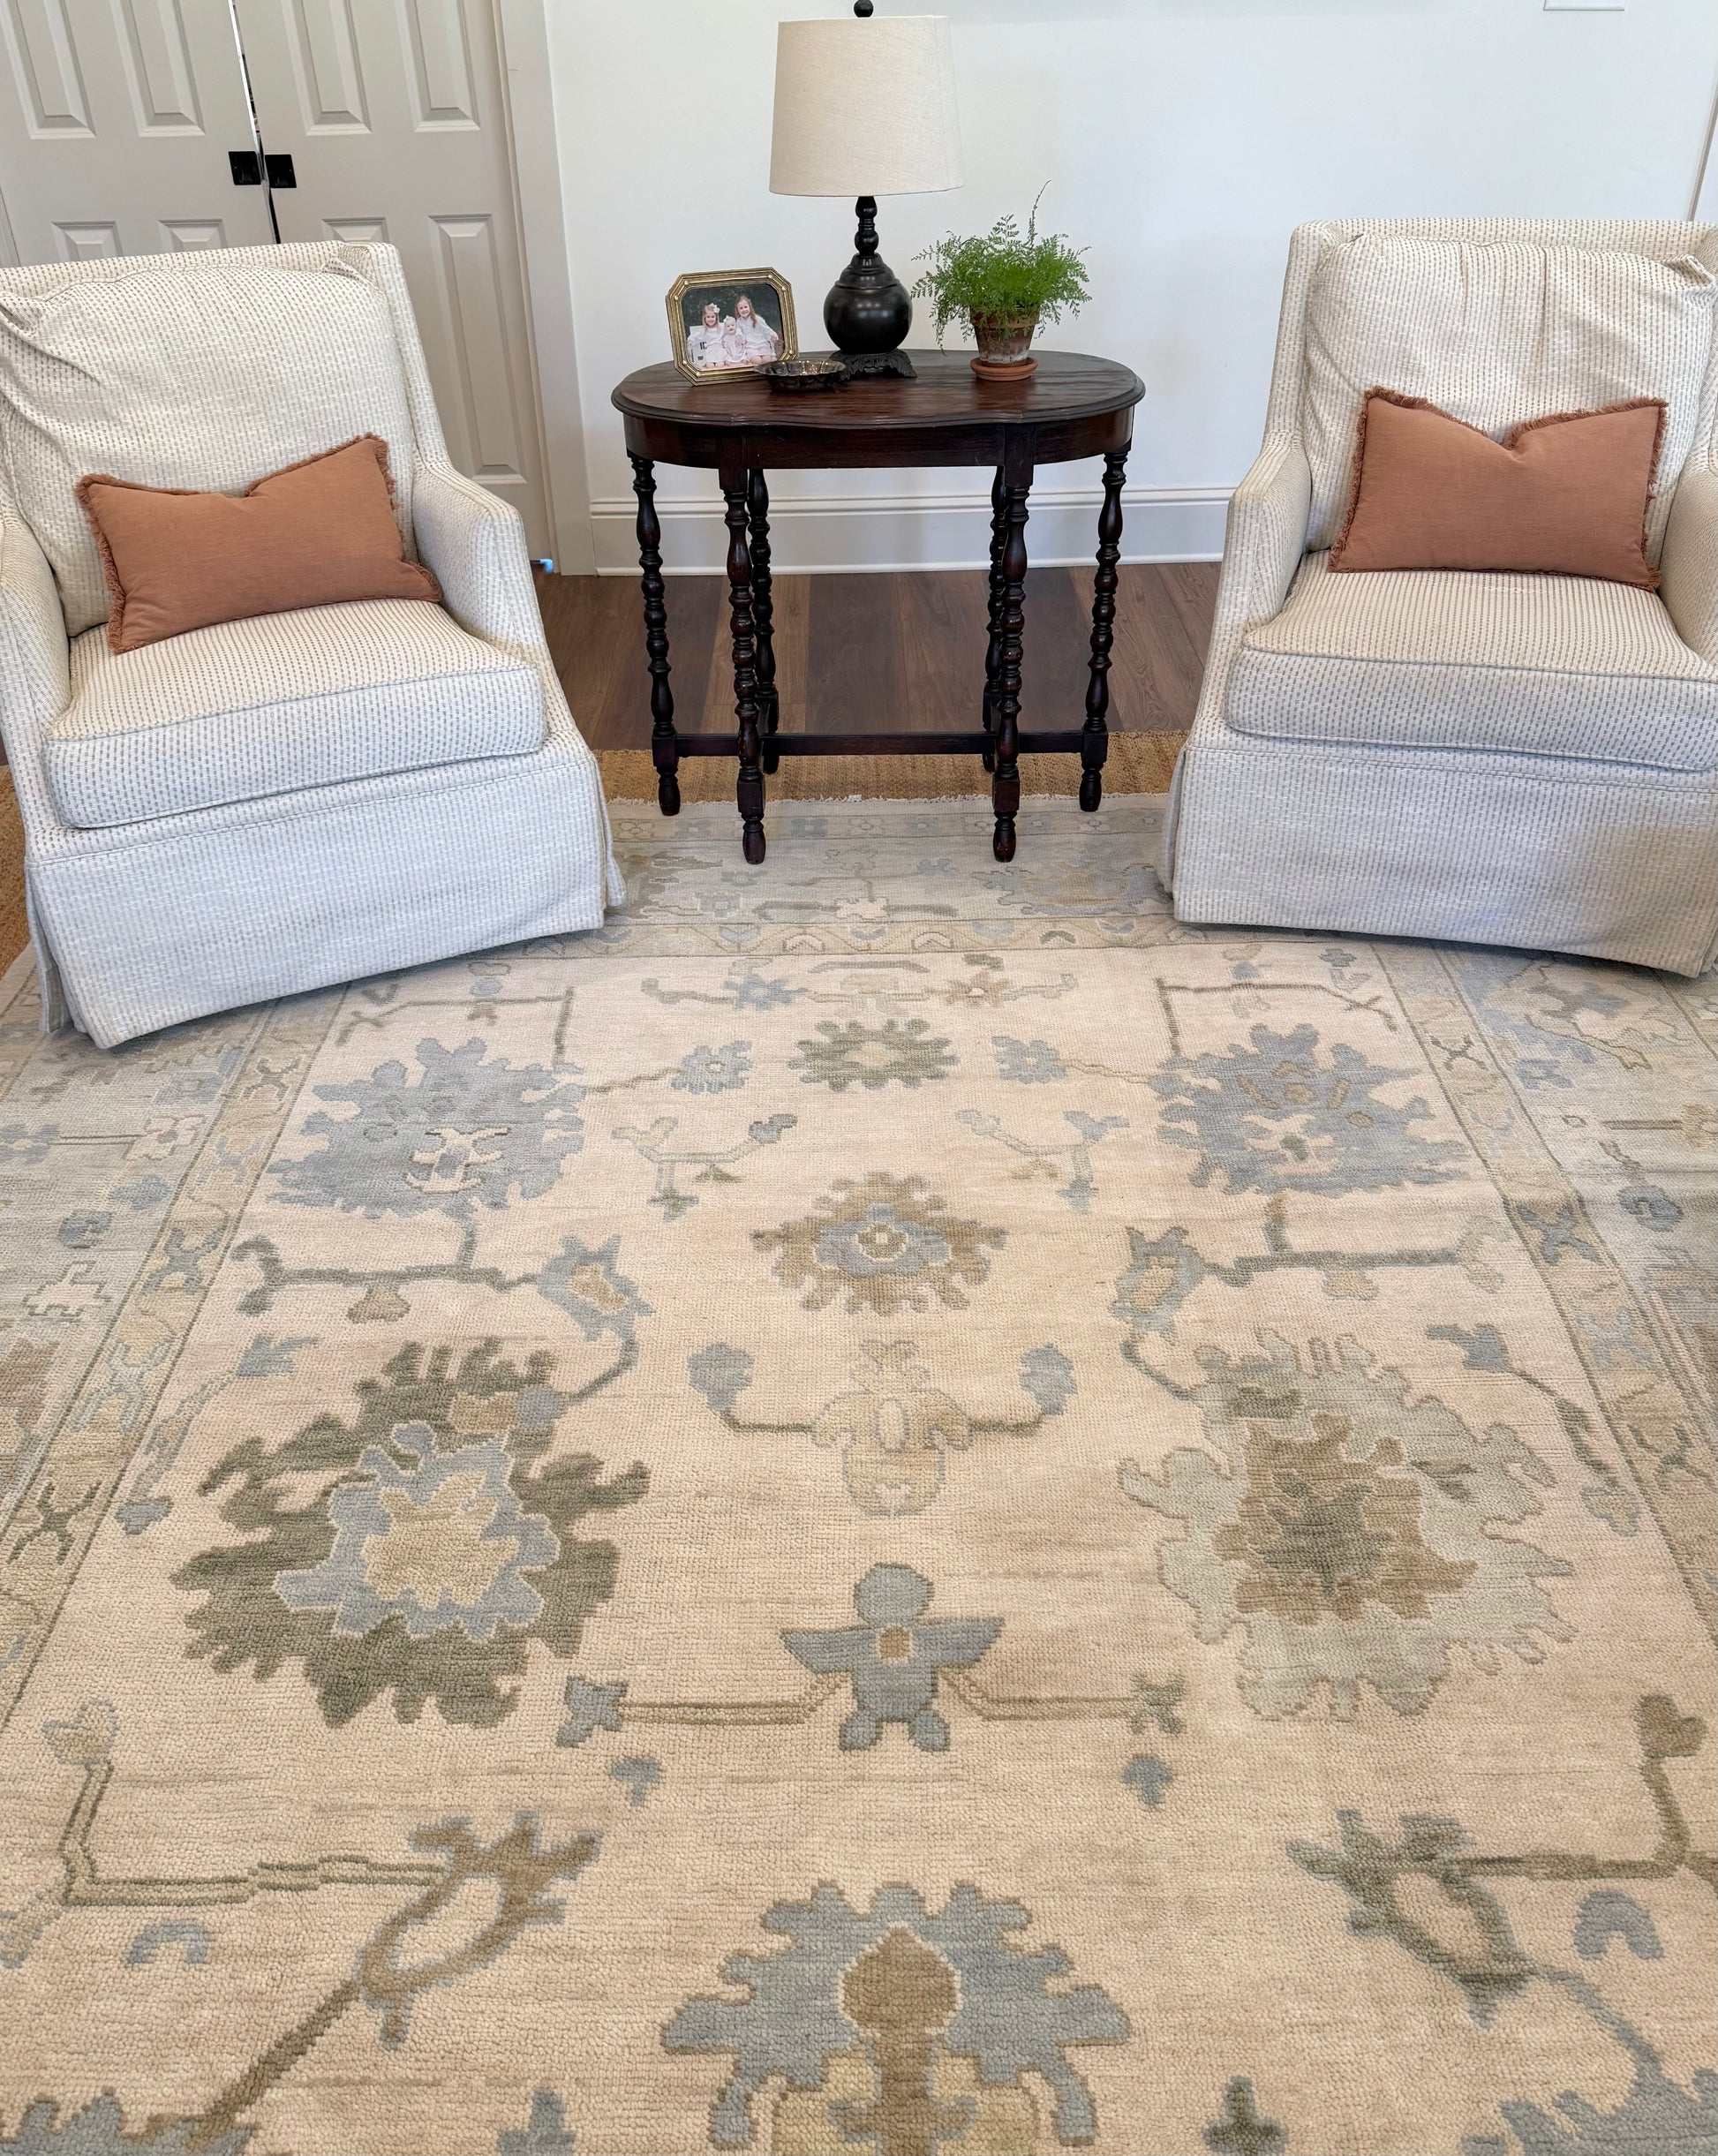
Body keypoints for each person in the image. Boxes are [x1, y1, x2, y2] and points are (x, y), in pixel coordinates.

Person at [726, 293, 782, 365]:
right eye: (741, 308)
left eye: (745, 307)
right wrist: (739, 338)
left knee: (766, 360)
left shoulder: (757, 319)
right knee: (757, 361)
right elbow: (739, 333)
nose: (744, 310)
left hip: (762, 344)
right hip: (750, 347)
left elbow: (767, 330)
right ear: (737, 310)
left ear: (750, 307)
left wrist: (773, 335)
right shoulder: (739, 322)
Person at [685, 300, 730, 370]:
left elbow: (731, 328)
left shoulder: (721, 327)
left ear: (716, 318)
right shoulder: (704, 330)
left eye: (712, 317)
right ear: (705, 318)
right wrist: (689, 341)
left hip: (720, 351)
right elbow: (696, 337)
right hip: (710, 352)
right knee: (710, 366)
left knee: (719, 365)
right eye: (708, 317)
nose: (710, 319)